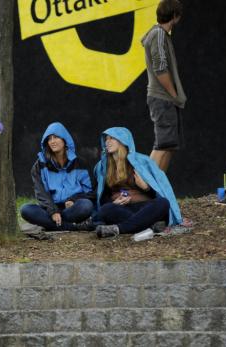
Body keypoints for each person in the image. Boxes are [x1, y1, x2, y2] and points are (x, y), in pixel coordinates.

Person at [93, 127, 182, 238]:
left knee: (162, 203)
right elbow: (102, 196)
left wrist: (146, 188)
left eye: (112, 138)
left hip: (145, 207)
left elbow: (160, 191)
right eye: (106, 139)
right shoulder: (103, 167)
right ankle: (148, 225)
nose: (107, 142)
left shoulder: (142, 162)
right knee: (106, 209)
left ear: (123, 141)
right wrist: (114, 202)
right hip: (123, 209)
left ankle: (119, 229)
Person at [20, 122, 95, 232]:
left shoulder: (80, 163)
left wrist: (74, 200)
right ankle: (72, 227)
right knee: (25, 209)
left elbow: (90, 192)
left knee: (86, 205)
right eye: (49, 139)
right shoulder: (39, 166)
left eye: (56, 137)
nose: (52, 142)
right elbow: (41, 193)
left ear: (65, 140)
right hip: (50, 210)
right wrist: (53, 211)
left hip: (71, 209)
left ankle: (51, 225)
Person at [141, 0, 186, 172]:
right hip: (162, 98)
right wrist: (173, 94)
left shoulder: (160, 35)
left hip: (164, 99)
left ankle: (160, 188)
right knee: (161, 146)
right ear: (174, 16)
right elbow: (160, 68)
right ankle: (144, 186)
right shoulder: (158, 34)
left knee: (169, 146)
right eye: (178, 15)